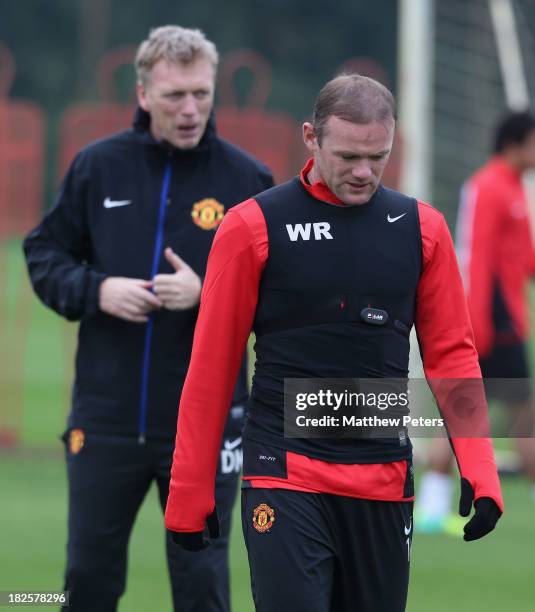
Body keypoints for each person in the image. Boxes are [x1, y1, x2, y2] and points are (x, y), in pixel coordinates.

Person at [164, 74, 503, 612]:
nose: (364, 172)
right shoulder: (252, 226)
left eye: (379, 157)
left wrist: (480, 470)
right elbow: (211, 364)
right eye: (348, 156)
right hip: (284, 473)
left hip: (384, 481)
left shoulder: (424, 230)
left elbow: (452, 355)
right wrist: (190, 489)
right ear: (310, 138)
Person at [23, 25, 273, 612]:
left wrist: (210, 294)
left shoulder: (248, 182)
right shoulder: (98, 168)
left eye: (201, 95)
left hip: (207, 426)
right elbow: (43, 254)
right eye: (174, 96)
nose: (190, 110)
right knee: (87, 580)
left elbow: (285, 297)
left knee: (203, 585)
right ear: (142, 96)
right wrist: (96, 289)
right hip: (104, 419)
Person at [416, 111, 535, 533]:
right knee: (475, 408)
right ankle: (431, 504)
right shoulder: (488, 185)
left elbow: (521, 257)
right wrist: (477, 325)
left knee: (483, 410)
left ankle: (432, 505)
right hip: (491, 321)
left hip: (507, 319)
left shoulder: (515, 188)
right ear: (515, 144)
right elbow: (478, 257)